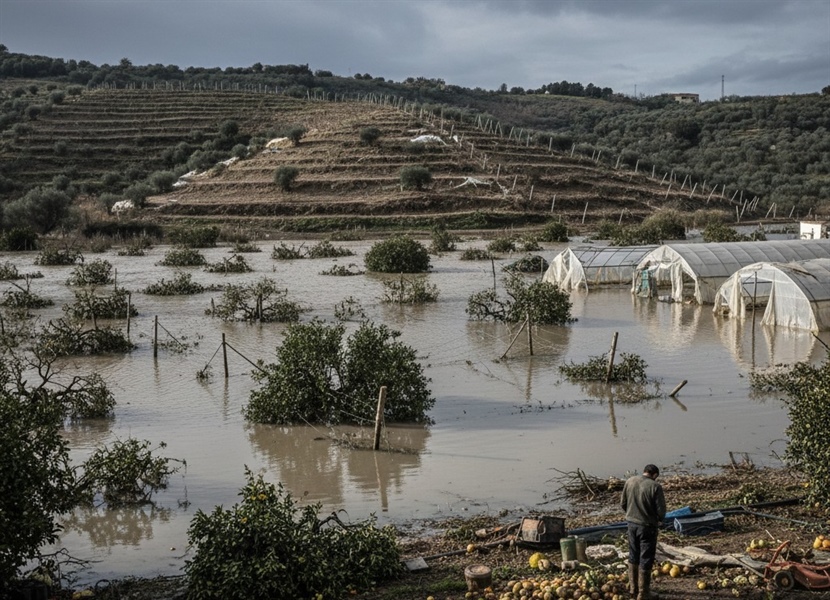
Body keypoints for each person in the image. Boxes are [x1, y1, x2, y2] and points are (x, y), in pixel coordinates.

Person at [620, 464, 666, 600]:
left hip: (631, 525)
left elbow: (623, 503)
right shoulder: (655, 486)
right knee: (646, 557)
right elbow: (661, 512)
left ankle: (633, 590)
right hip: (647, 527)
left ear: (644, 471)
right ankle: (643, 593)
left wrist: (632, 514)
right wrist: (658, 519)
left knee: (633, 554)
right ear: (655, 475)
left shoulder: (630, 481)